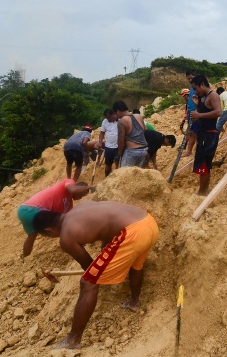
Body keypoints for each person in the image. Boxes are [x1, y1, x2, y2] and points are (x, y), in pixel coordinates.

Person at [36, 201, 159, 350]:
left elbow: (89, 267)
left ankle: (73, 340)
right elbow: (107, 230)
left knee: (88, 283)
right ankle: (134, 302)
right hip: (148, 223)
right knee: (136, 265)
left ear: (49, 230)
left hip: (132, 234)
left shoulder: (66, 237)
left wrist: (98, 271)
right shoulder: (80, 208)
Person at [17, 179, 92, 257]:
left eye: (83, 196)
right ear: (77, 187)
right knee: (63, 229)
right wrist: (88, 187)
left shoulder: (69, 205)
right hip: (33, 208)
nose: (80, 198)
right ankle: (76, 248)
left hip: (23, 210)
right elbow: (72, 190)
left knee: (31, 237)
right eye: (81, 194)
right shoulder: (69, 182)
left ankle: (25, 259)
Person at [190, 75, 222, 195]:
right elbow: (205, 111)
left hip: (209, 135)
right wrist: (198, 105)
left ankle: (203, 191)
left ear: (202, 85)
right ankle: (202, 190)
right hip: (203, 134)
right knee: (201, 163)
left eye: (196, 88)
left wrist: (199, 115)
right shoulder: (203, 97)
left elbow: (218, 112)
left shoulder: (213, 95)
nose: (196, 91)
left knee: (204, 164)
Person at [113, 101, 148, 168]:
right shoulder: (139, 116)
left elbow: (121, 140)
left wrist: (119, 153)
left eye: (116, 114)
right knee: (135, 174)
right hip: (144, 150)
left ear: (117, 111)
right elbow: (144, 130)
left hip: (132, 151)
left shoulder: (122, 121)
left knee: (124, 174)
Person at [182, 72, 199, 157]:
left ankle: (198, 151)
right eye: (188, 78)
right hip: (190, 113)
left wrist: (196, 112)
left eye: (191, 78)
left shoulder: (198, 87)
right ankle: (189, 151)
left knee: (197, 133)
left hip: (196, 113)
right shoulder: (192, 88)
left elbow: (200, 101)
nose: (190, 80)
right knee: (192, 132)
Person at [99, 109, 119, 176]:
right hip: (108, 147)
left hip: (118, 147)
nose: (108, 119)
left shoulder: (120, 121)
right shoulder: (105, 121)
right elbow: (102, 132)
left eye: (108, 118)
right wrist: (100, 142)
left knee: (118, 164)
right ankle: (107, 178)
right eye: (106, 118)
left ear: (113, 115)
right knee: (107, 165)